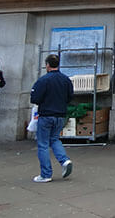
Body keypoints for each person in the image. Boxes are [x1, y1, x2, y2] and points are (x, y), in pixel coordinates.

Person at [30, 54, 74, 182]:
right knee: (55, 139)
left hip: (46, 115)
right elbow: (70, 97)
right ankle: (64, 160)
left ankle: (46, 174)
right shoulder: (66, 80)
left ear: (47, 65)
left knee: (43, 144)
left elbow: (35, 99)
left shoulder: (43, 80)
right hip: (60, 115)